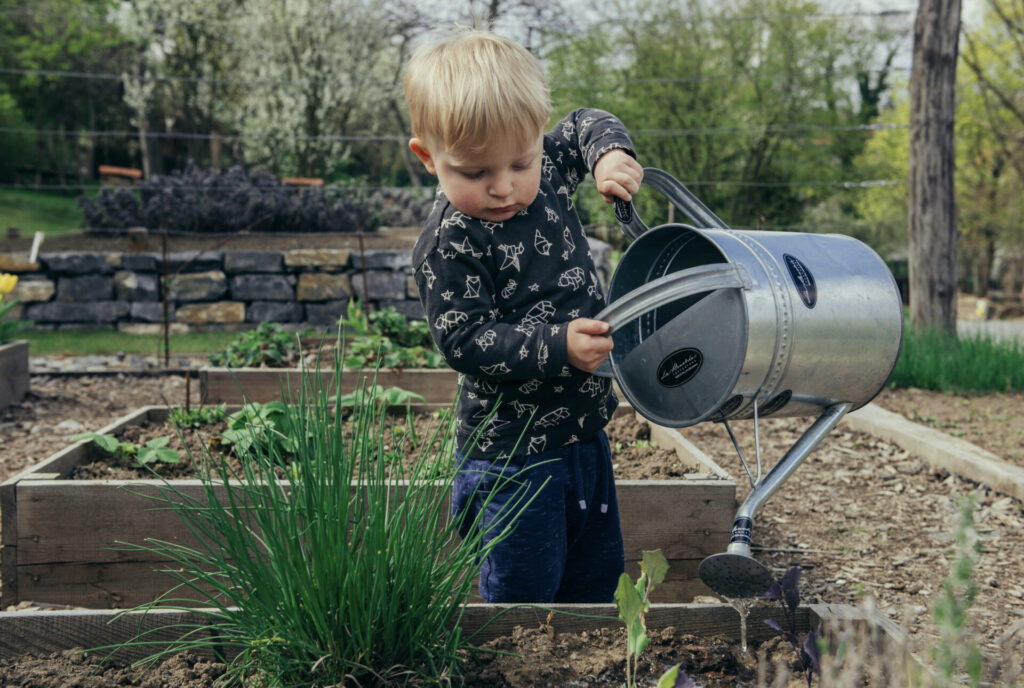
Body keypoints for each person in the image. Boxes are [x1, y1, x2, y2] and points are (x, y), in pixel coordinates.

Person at [403, 26, 644, 603]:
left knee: (594, 578)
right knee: (524, 596)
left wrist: (611, 155)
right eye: (474, 172)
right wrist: (557, 345)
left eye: (520, 161)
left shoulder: (552, 169)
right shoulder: (450, 243)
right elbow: (465, 339)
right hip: (512, 458)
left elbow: (587, 120)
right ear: (427, 157)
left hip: (586, 436)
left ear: (538, 138)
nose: (503, 187)